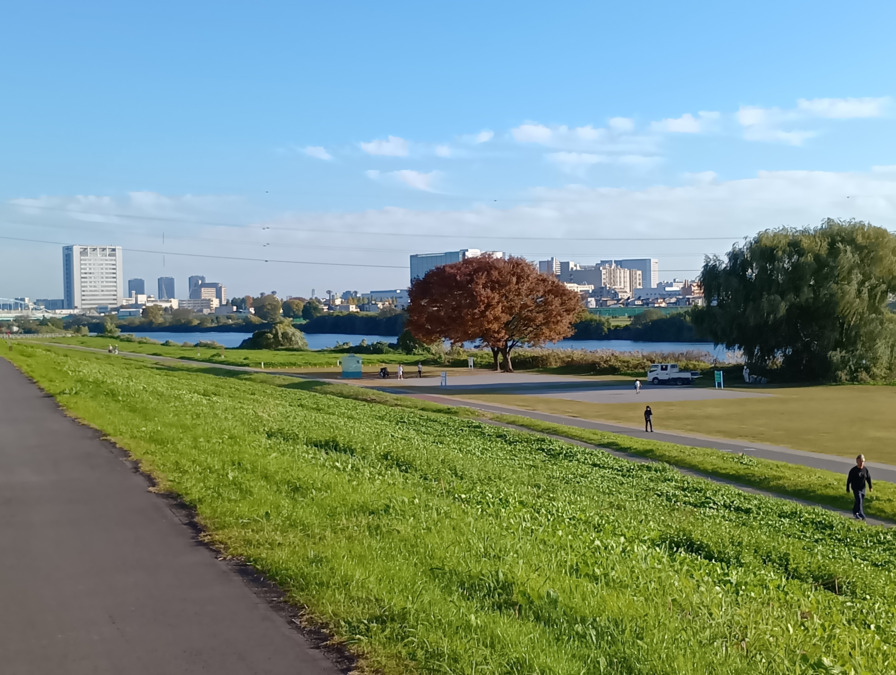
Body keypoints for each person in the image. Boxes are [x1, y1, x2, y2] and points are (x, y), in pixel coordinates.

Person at [847, 454, 873, 520]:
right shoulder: (853, 470)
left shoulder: (865, 470)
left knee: (859, 501)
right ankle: (861, 514)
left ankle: (855, 511)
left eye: (863, 461)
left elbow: (868, 478)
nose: (861, 463)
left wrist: (870, 487)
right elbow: (849, 479)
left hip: (862, 488)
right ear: (857, 461)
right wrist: (847, 488)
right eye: (860, 461)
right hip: (856, 488)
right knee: (859, 500)